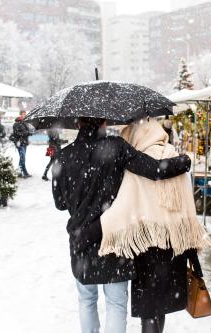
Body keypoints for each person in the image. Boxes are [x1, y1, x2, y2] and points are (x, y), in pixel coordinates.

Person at [52, 117, 191, 333]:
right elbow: (154, 170)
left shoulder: (62, 156)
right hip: (114, 236)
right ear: (103, 121)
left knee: (86, 301)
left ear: (77, 122)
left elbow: (60, 204)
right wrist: (182, 162)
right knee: (116, 304)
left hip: (80, 240)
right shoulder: (116, 147)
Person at [99, 118, 211, 333]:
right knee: (163, 303)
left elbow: (125, 205)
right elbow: (188, 201)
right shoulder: (175, 156)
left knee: (149, 305)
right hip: (174, 242)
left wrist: (103, 222)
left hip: (147, 245)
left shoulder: (137, 161)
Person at [11, 110, 31, 178]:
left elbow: (26, 132)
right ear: (20, 115)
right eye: (23, 114)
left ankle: (19, 172)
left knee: (22, 158)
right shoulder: (16, 123)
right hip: (19, 143)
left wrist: (29, 133)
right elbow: (16, 133)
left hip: (24, 143)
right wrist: (26, 133)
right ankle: (24, 172)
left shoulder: (25, 123)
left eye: (25, 114)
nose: (24, 115)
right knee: (22, 158)